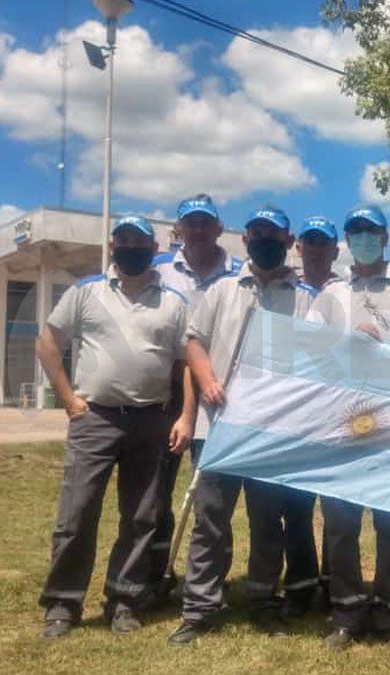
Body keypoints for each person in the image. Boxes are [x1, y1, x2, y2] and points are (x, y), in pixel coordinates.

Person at [36, 216, 194, 639]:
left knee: (142, 517)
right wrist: (69, 399)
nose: (130, 246)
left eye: (139, 240)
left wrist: (184, 416)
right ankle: (62, 604)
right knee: (78, 513)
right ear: (112, 244)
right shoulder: (86, 291)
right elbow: (49, 342)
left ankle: (125, 600)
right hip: (96, 419)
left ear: (153, 244)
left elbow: (185, 365)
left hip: (151, 420)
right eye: (123, 239)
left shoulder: (174, 302)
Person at [169, 206, 319, 644]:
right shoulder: (220, 290)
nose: (263, 240)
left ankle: (262, 602)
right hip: (217, 429)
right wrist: (208, 380)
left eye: (272, 234)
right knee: (210, 520)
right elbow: (194, 342)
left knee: (267, 522)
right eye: (256, 233)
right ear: (245, 240)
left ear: (288, 241)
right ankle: (200, 608)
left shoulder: (307, 297)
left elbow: (325, 358)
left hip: (271, 432)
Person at [306, 205, 390, 650]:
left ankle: (389, 614)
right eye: (355, 231)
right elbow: (312, 356)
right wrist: (347, 345)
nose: (363, 237)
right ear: (347, 239)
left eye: (371, 231)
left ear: (386, 238)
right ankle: (346, 612)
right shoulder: (329, 295)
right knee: (341, 521)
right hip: (342, 421)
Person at [148, 193, 241, 605]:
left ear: (219, 228)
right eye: (191, 223)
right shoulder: (158, 271)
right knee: (152, 495)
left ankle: (211, 584)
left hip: (214, 391)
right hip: (158, 389)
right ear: (178, 228)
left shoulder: (238, 275)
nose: (198, 230)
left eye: (206, 222)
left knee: (211, 495)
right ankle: (152, 577)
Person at [281, 215, 342, 616]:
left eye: (325, 242)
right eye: (310, 241)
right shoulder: (284, 291)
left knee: (339, 510)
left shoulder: (349, 292)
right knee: (296, 508)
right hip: (297, 416)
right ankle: (301, 586)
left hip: (340, 416)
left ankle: (336, 586)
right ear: (298, 247)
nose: (317, 248)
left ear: (336, 250)